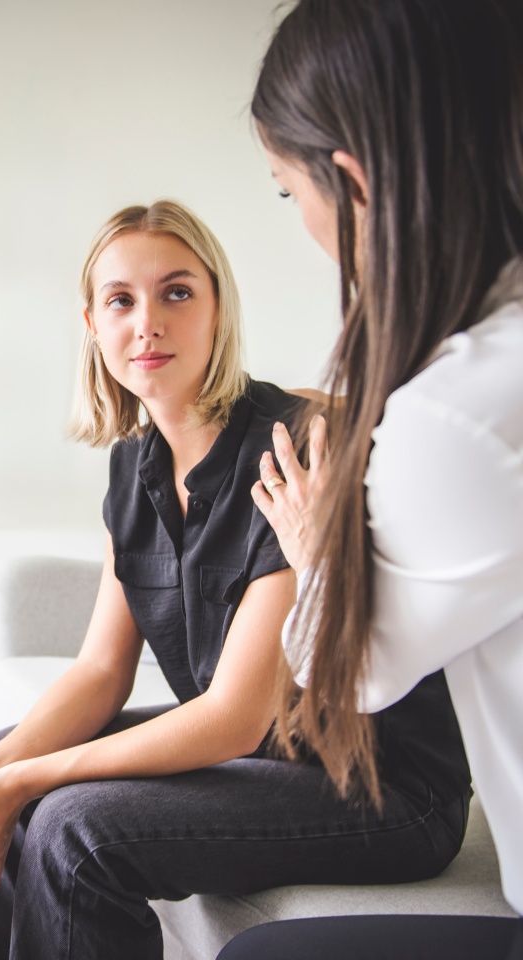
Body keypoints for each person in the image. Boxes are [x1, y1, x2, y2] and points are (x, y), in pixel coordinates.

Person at [0, 200, 471, 960]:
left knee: (72, 828)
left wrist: (28, 782)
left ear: (218, 307)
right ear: (93, 324)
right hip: (268, 755)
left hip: (382, 787)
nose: (148, 323)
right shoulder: (132, 466)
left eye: (177, 292)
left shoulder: (295, 448)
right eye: (121, 300)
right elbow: (101, 671)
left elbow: (235, 715)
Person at [215, 0, 523, 957]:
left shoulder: (459, 416)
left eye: (283, 191)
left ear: (349, 182)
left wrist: (312, 542)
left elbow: (351, 670)